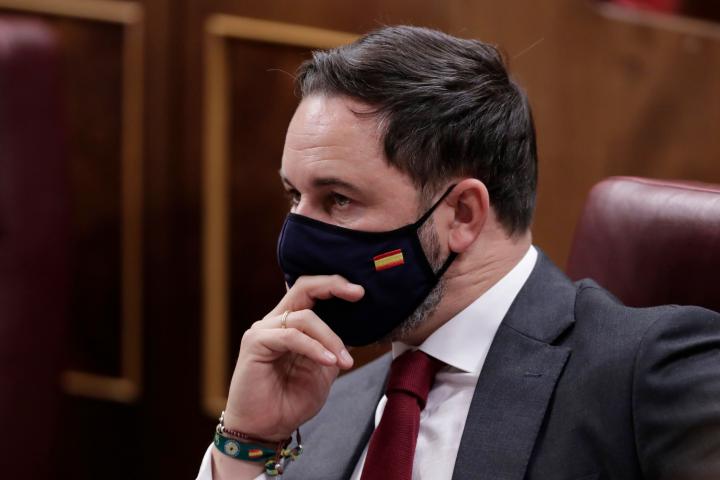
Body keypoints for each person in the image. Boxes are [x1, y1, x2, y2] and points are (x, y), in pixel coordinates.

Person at [197, 25, 720, 480]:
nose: (296, 237)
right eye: (294, 196)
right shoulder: (320, 410)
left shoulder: (648, 372)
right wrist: (247, 442)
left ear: (463, 214)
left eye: (338, 199)